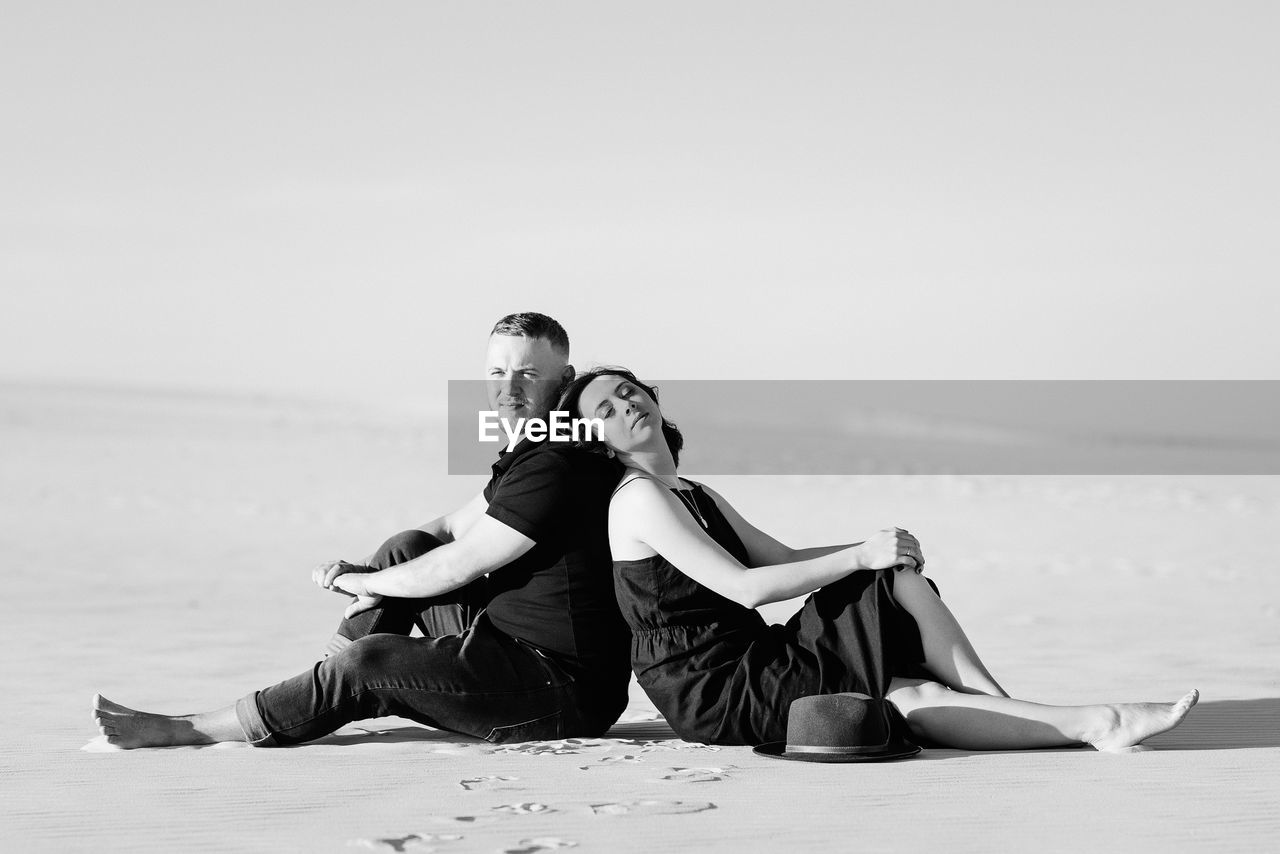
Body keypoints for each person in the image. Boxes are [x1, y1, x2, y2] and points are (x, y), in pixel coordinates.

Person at [558, 367, 1199, 751]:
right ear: (594, 439)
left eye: (628, 390)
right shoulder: (637, 500)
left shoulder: (693, 492)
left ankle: (1054, 721)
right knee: (887, 630)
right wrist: (861, 556)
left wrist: (869, 553)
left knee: (901, 679)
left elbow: (779, 555)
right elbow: (748, 586)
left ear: (653, 395)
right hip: (715, 687)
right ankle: (1055, 720)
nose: (626, 406)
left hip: (751, 657)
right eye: (605, 410)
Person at [92, 313, 631, 748]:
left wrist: (369, 585)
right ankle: (325, 681)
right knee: (406, 548)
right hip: (509, 645)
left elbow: (459, 564)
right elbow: (446, 530)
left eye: (528, 375)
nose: (508, 388)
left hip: (559, 690)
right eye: (497, 373)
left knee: (371, 661)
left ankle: (193, 728)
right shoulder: (535, 450)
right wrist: (367, 570)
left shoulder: (559, 465)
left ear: (564, 381)